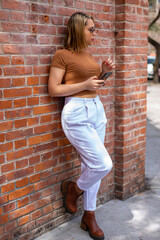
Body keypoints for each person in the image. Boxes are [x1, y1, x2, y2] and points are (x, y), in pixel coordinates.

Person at [48, 12, 115, 240]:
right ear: (78, 29)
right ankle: (74, 190)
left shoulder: (87, 55)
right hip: (76, 113)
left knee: (91, 165)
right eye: (91, 29)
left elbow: (93, 85)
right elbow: (54, 89)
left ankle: (90, 215)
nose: (94, 34)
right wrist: (85, 84)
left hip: (96, 110)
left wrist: (103, 71)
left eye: (94, 29)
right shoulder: (62, 55)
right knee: (103, 163)